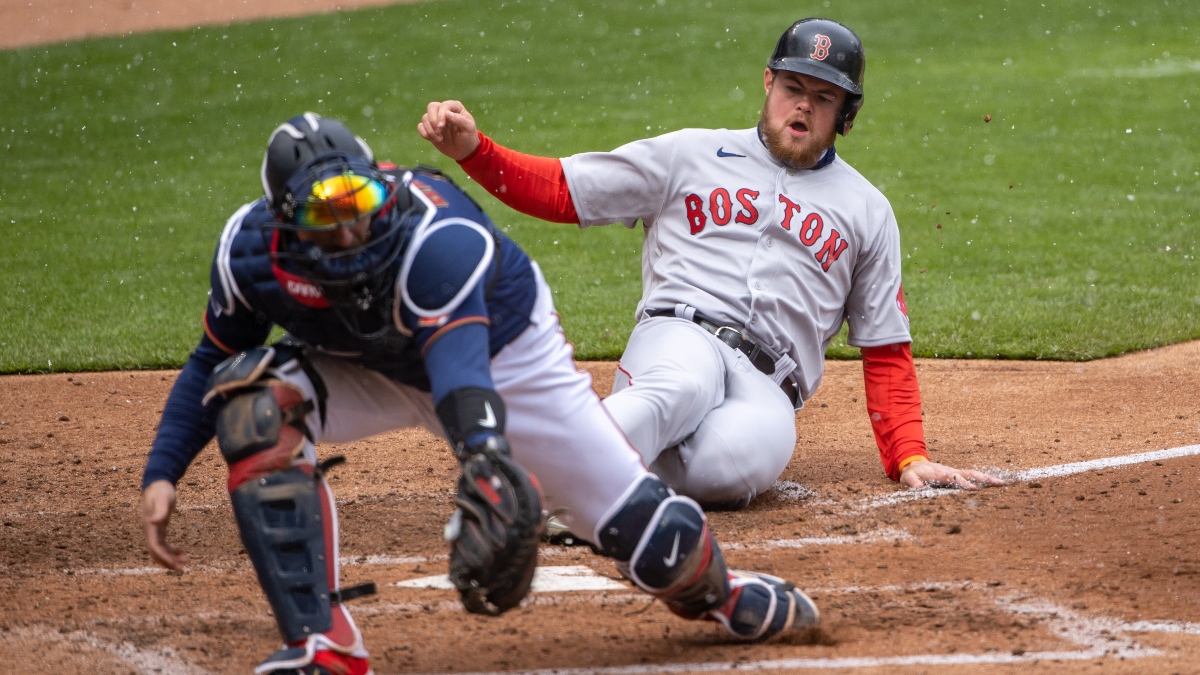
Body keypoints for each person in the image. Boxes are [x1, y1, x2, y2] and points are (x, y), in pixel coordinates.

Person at [140, 113, 821, 675]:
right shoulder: (248, 255)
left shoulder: (439, 238)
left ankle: (723, 593)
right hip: (370, 372)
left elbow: (461, 373)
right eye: (326, 216)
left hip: (508, 360)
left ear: (381, 185)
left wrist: (487, 458)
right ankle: (324, 643)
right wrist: (163, 469)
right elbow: (213, 357)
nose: (349, 229)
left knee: (655, 543)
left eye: (362, 202)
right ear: (282, 221)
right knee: (251, 401)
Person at [418, 18, 1005, 510]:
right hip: (680, 333)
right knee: (680, 386)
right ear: (768, 83)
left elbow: (885, 347)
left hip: (770, 387)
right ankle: (528, 488)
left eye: (823, 97)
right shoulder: (689, 153)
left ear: (845, 114)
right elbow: (565, 190)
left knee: (726, 471)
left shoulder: (867, 210)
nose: (802, 105)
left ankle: (599, 474)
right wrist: (474, 150)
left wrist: (909, 455)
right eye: (793, 86)